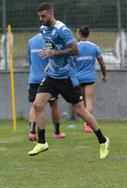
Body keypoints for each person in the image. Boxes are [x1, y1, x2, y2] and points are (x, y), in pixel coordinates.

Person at [29, 2, 109, 159]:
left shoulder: (62, 30)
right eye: (39, 16)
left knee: (81, 111)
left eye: (43, 16)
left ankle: (103, 140)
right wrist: (50, 64)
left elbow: (75, 50)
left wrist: (53, 53)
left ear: (51, 14)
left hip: (67, 77)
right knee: (37, 105)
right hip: (52, 75)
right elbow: (50, 47)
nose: (41, 19)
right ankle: (42, 142)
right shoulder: (44, 29)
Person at [27, 33, 65, 141]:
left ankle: (32, 132)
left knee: (35, 105)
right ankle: (57, 132)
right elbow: (55, 59)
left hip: (33, 78)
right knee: (54, 104)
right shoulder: (50, 40)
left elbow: (29, 60)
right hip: (48, 79)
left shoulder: (31, 41)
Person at [76, 25, 107, 133]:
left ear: (79, 34)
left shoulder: (74, 46)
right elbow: (101, 63)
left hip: (77, 79)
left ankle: (86, 122)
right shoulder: (94, 46)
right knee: (89, 103)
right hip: (90, 78)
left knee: (81, 103)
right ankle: (87, 124)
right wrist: (104, 75)